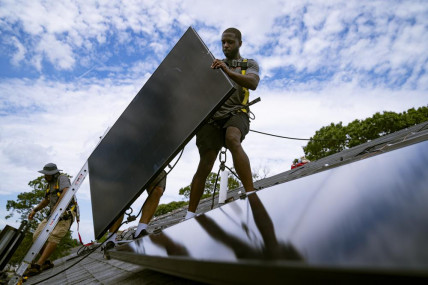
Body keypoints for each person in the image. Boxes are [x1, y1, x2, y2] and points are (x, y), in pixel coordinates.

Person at [185, 27, 260, 219]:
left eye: (230, 42)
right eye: (223, 42)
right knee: (206, 160)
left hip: (237, 113)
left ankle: (252, 196)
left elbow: (252, 83)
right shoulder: (214, 66)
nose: (225, 45)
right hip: (213, 118)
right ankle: (189, 214)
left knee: (232, 138)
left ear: (239, 43)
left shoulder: (248, 64)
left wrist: (226, 71)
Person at [25, 163, 77, 277]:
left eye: (47, 174)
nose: (45, 176)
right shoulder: (49, 185)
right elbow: (46, 199)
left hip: (65, 213)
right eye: (44, 174)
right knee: (37, 236)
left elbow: (67, 191)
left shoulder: (62, 178)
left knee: (54, 236)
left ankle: (39, 264)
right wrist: (35, 210)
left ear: (53, 174)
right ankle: (46, 261)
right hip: (52, 215)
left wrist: (57, 207)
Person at [104, 170, 167, 250]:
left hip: (154, 162)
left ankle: (140, 231)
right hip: (130, 164)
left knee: (157, 190)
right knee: (120, 197)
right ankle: (111, 239)